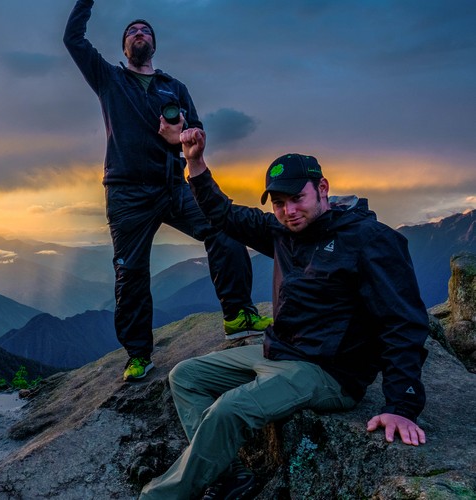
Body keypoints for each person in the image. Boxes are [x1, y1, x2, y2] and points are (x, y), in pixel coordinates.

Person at [139, 127, 430, 499]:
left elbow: (403, 322)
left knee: (229, 409)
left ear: (322, 188)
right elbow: (224, 215)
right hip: (280, 351)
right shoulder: (282, 231)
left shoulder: (369, 240)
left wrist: (402, 406)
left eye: (296, 199)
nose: (288, 211)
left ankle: (159, 496)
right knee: (186, 376)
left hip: (329, 372)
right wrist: (194, 162)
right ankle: (229, 475)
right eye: (278, 203)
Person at [63, 0, 271, 382]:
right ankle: (138, 355)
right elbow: (72, 38)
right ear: (124, 48)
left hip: (174, 185)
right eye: (131, 32)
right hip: (127, 192)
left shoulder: (174, 88)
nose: (138, 34)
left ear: (153, 45)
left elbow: (196, 132)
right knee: (131, 273)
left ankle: (238, 315)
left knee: (224, 229)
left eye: (145, 31)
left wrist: (184, 136)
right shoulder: (109, 79)